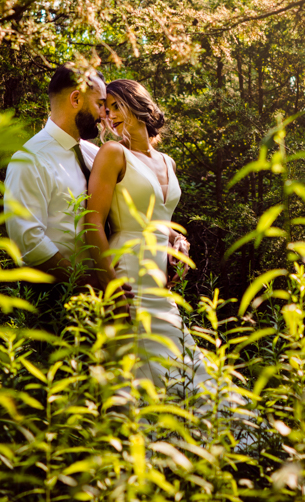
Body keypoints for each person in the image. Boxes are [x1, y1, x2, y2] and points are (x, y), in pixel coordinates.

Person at [83, 79, 220, 398]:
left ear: (137, 104)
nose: (109, 116)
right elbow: (92, 222)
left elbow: (157, 218)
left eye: (116, 106)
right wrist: (112, 287)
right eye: (105, 110)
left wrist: (178, 243)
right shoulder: (113, 153)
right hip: (128, 278)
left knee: (185, 376)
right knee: (150, 383)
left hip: (162, 288)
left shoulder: (167, 162)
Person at [4, 65, 129, 297]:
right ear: (75, 99)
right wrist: (84, 283)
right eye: (100, 104)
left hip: (109, 296)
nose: (104, 115)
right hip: (56, 299)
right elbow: (28, 242)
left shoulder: (95, 155)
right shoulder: (30, 159)